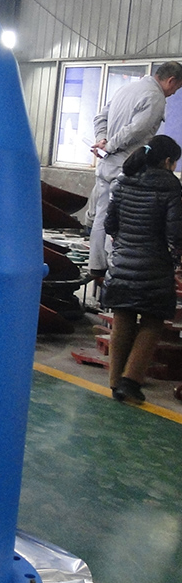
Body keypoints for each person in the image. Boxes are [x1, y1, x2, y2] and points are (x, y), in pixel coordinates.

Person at [101, 134, 182, 403]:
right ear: (168, 161)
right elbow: (175, 233)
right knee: (153, 321)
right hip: (154, 267)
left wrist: (124, 244)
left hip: (121, 263)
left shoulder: (123, 181)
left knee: (123, 317)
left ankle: (115, 383)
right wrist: (177, 258)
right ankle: (131, 381)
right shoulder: (170, 185)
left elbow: (110, 224)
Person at [89, 61, 182, 275]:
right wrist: (109, 146)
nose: (174, 93)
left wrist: (102, 140)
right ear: (171, 80)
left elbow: (100, 117)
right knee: (121, 220)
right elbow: (137, 130)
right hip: (126, 166)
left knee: (102, 215)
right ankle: (115, 269)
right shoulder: (155, 96)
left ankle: (97, 265)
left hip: (106, 164)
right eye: (177, 88)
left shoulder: (127, 88)